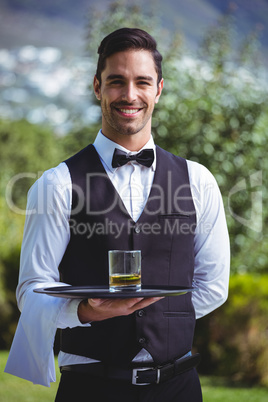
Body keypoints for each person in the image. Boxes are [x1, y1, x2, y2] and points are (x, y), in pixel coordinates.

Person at [5, 28, 230, 401]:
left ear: (158, 89)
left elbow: (213, 285)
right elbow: (31, 292)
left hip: (179, 387)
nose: (129, 95)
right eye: (116, 81)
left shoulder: (198, 181)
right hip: (90, 388)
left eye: (142, 82)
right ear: (97, 87)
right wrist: (87, 312)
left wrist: (163, 318)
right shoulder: (56, 184)